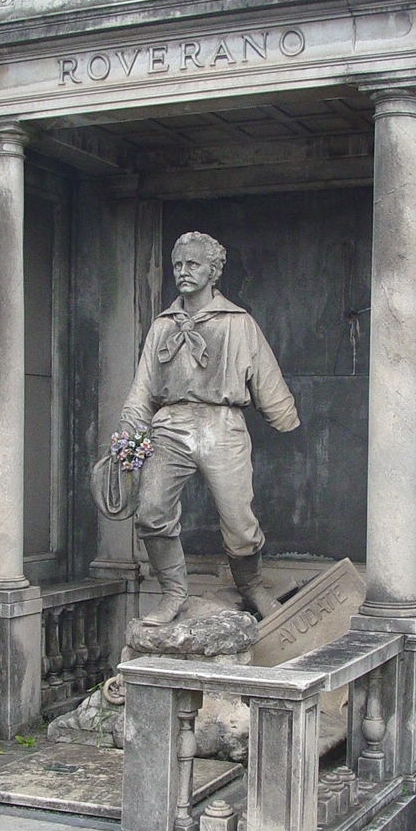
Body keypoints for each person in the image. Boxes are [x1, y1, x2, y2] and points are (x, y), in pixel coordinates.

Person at [120, 231, 299, 625]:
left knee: (240, 524)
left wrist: (283, 416)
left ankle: (251, 587)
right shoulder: (161, 327)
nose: (183, 272)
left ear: (214, 270)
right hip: (169, 425)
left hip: (222, 423)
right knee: (150, 512)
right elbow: (142, 390)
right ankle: (173, 594)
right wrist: (129, 440)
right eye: (178, 265)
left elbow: (266, 378)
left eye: (193, 264)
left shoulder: (238, 323)